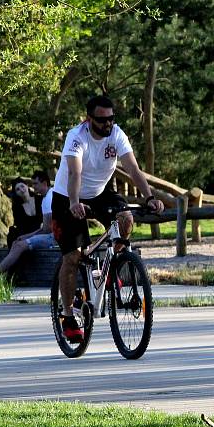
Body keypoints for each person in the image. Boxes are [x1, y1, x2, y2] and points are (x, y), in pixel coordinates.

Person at [51, 95, 164, 343]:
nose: (108, 124)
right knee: (72, 256)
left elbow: (133, 169)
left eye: (111, 119)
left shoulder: (117, 134)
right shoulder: (76, 136)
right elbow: (74, 172)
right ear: (89, 119)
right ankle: (68, 316)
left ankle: (117, 264)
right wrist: (73, 203)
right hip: (68, 196)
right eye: (102, 120)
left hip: (100, 194)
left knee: (125, 218)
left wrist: (149, 197)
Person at [0, 171, 55, 273]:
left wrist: (28, 237)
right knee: (15, 241)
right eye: (17, 189)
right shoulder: (45, 198)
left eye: (35, 184)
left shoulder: (45, 199)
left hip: (54, 236)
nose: (34, 186)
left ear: (44, 183)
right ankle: (9, 273)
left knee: (20, 245)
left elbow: (47, 229)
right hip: (41, 232)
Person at [7, 177, 42, 246]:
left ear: (27, 186)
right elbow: (20, 226)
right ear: (16, 193)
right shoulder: (17, 207)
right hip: (26, 235)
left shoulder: (40, 199)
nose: (21, 190)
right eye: (18, 189)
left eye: (22, 186)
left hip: (41, 232)